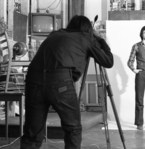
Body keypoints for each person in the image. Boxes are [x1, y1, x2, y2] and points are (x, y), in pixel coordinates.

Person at [20, 15, 114, 149]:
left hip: (32, 80)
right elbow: (108, 61)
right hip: (60, 82)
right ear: (88, 30)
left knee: (32, 134)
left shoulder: (54, 34)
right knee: (73, 128)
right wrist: (99, 38)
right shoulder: (86, 38)